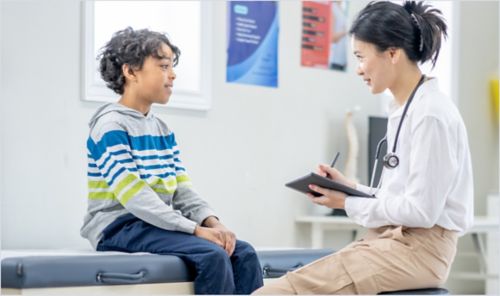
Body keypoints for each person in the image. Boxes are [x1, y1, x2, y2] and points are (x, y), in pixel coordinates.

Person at [254, 1, 473, 294]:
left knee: (280, 292)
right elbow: (403, 198)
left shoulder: (430, 114)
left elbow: (421, 211)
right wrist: (350, 187)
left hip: (421, 250)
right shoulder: (406, 108)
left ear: (393, 53)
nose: (358, 70)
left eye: (361, 57)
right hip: (394, 240)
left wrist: (347, 203)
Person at [80, 27, 263, 295]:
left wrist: (213, 223)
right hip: (119, 227)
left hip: (155, 223)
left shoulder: (162, 129)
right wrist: (195, 231)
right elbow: (135, 197)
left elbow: (182, 189)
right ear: (130, 72)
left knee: (243, 252)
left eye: (172, 66)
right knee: (212, 255)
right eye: (164, 66)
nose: (173, 75)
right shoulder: (110, 126)